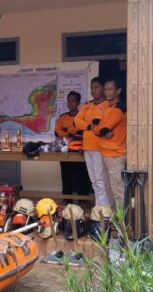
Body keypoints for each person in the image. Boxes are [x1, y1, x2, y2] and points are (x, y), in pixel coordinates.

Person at [74, 77, 110, 206]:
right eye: (92, 87)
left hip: (99, 147)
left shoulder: (107, 105)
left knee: (101, 180)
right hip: (87, 147)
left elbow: (104, 124)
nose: (93, 90)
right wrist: (89, 126)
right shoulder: (87, 106)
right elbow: (77, 121)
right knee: (93, 180)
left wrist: (94, 126)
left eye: (96, 87)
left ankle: (104, 207)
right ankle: (98, 205)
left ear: (103, 89)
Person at [93, 79, 127, 208]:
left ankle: (122, 218)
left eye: (110, 89)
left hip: (115, 154)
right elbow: (99, 127)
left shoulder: (119, 108)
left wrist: (100, 129)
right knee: (109, 189)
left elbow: (103, 128)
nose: (106, 92)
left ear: (118, 91)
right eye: (105, 89)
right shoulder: (107, 106)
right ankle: (114, 216)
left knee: (117, 189)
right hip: (105, 152)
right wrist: (100, 129)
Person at [54, 91, 91, 203]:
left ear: (78, 102)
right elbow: (57, 132)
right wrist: (71, 134)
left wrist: (69, 133)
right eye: (69, 101)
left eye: (73, 101)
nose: (71, 104)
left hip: (80, 151)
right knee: (66, 176)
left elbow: (84, 132)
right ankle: (67, 200)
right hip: (66, 151)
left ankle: (83, 201)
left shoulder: (82, 117)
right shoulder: (63, 117)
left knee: (82, 177)